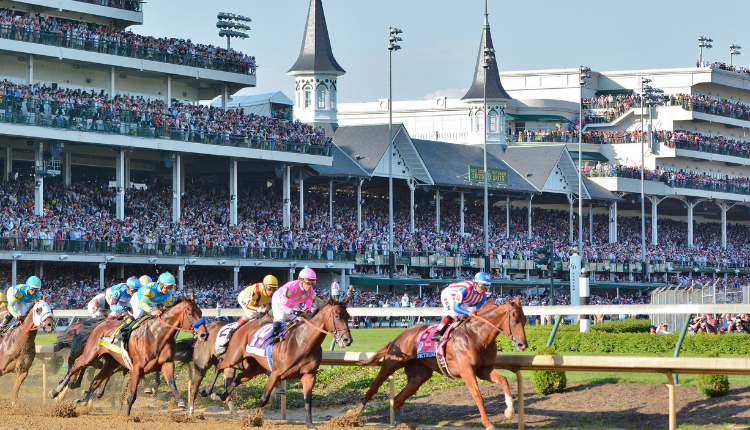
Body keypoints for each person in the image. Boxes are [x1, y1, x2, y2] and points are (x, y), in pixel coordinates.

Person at [431, 272, 491, 341]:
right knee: (453, 314)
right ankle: (437, 332)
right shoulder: (465, 289)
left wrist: (471, 314)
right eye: (482, 286)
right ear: (475, 283)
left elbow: (474, 311)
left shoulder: (483, 296)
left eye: (487, 287)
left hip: (461, 300)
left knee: (464, 317)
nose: (484, 289)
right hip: (449, 294)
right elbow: (456, 307)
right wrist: (468, 313)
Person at [268, 266, 316, 345]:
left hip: (292, 302)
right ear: (301, 281)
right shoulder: (291, 288)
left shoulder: (311, 291)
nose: (310, 285)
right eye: (308, 282)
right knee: (281, 318)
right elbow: (283, 306)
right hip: (279, 300)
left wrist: (307, 310)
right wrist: (294, 311)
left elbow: (309, 301)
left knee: (300, 320)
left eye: (313, 283)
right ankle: (273, 337)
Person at [225, 274, 279, 341]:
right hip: (245, 298)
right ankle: (233, 329)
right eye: (270, 289)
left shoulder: (273, 293)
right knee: (251, 313)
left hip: (259, 301)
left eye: (275, 289)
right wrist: (260, 309)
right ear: (264, 287)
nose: (272, 292)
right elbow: (248, 306)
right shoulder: (255, 291)